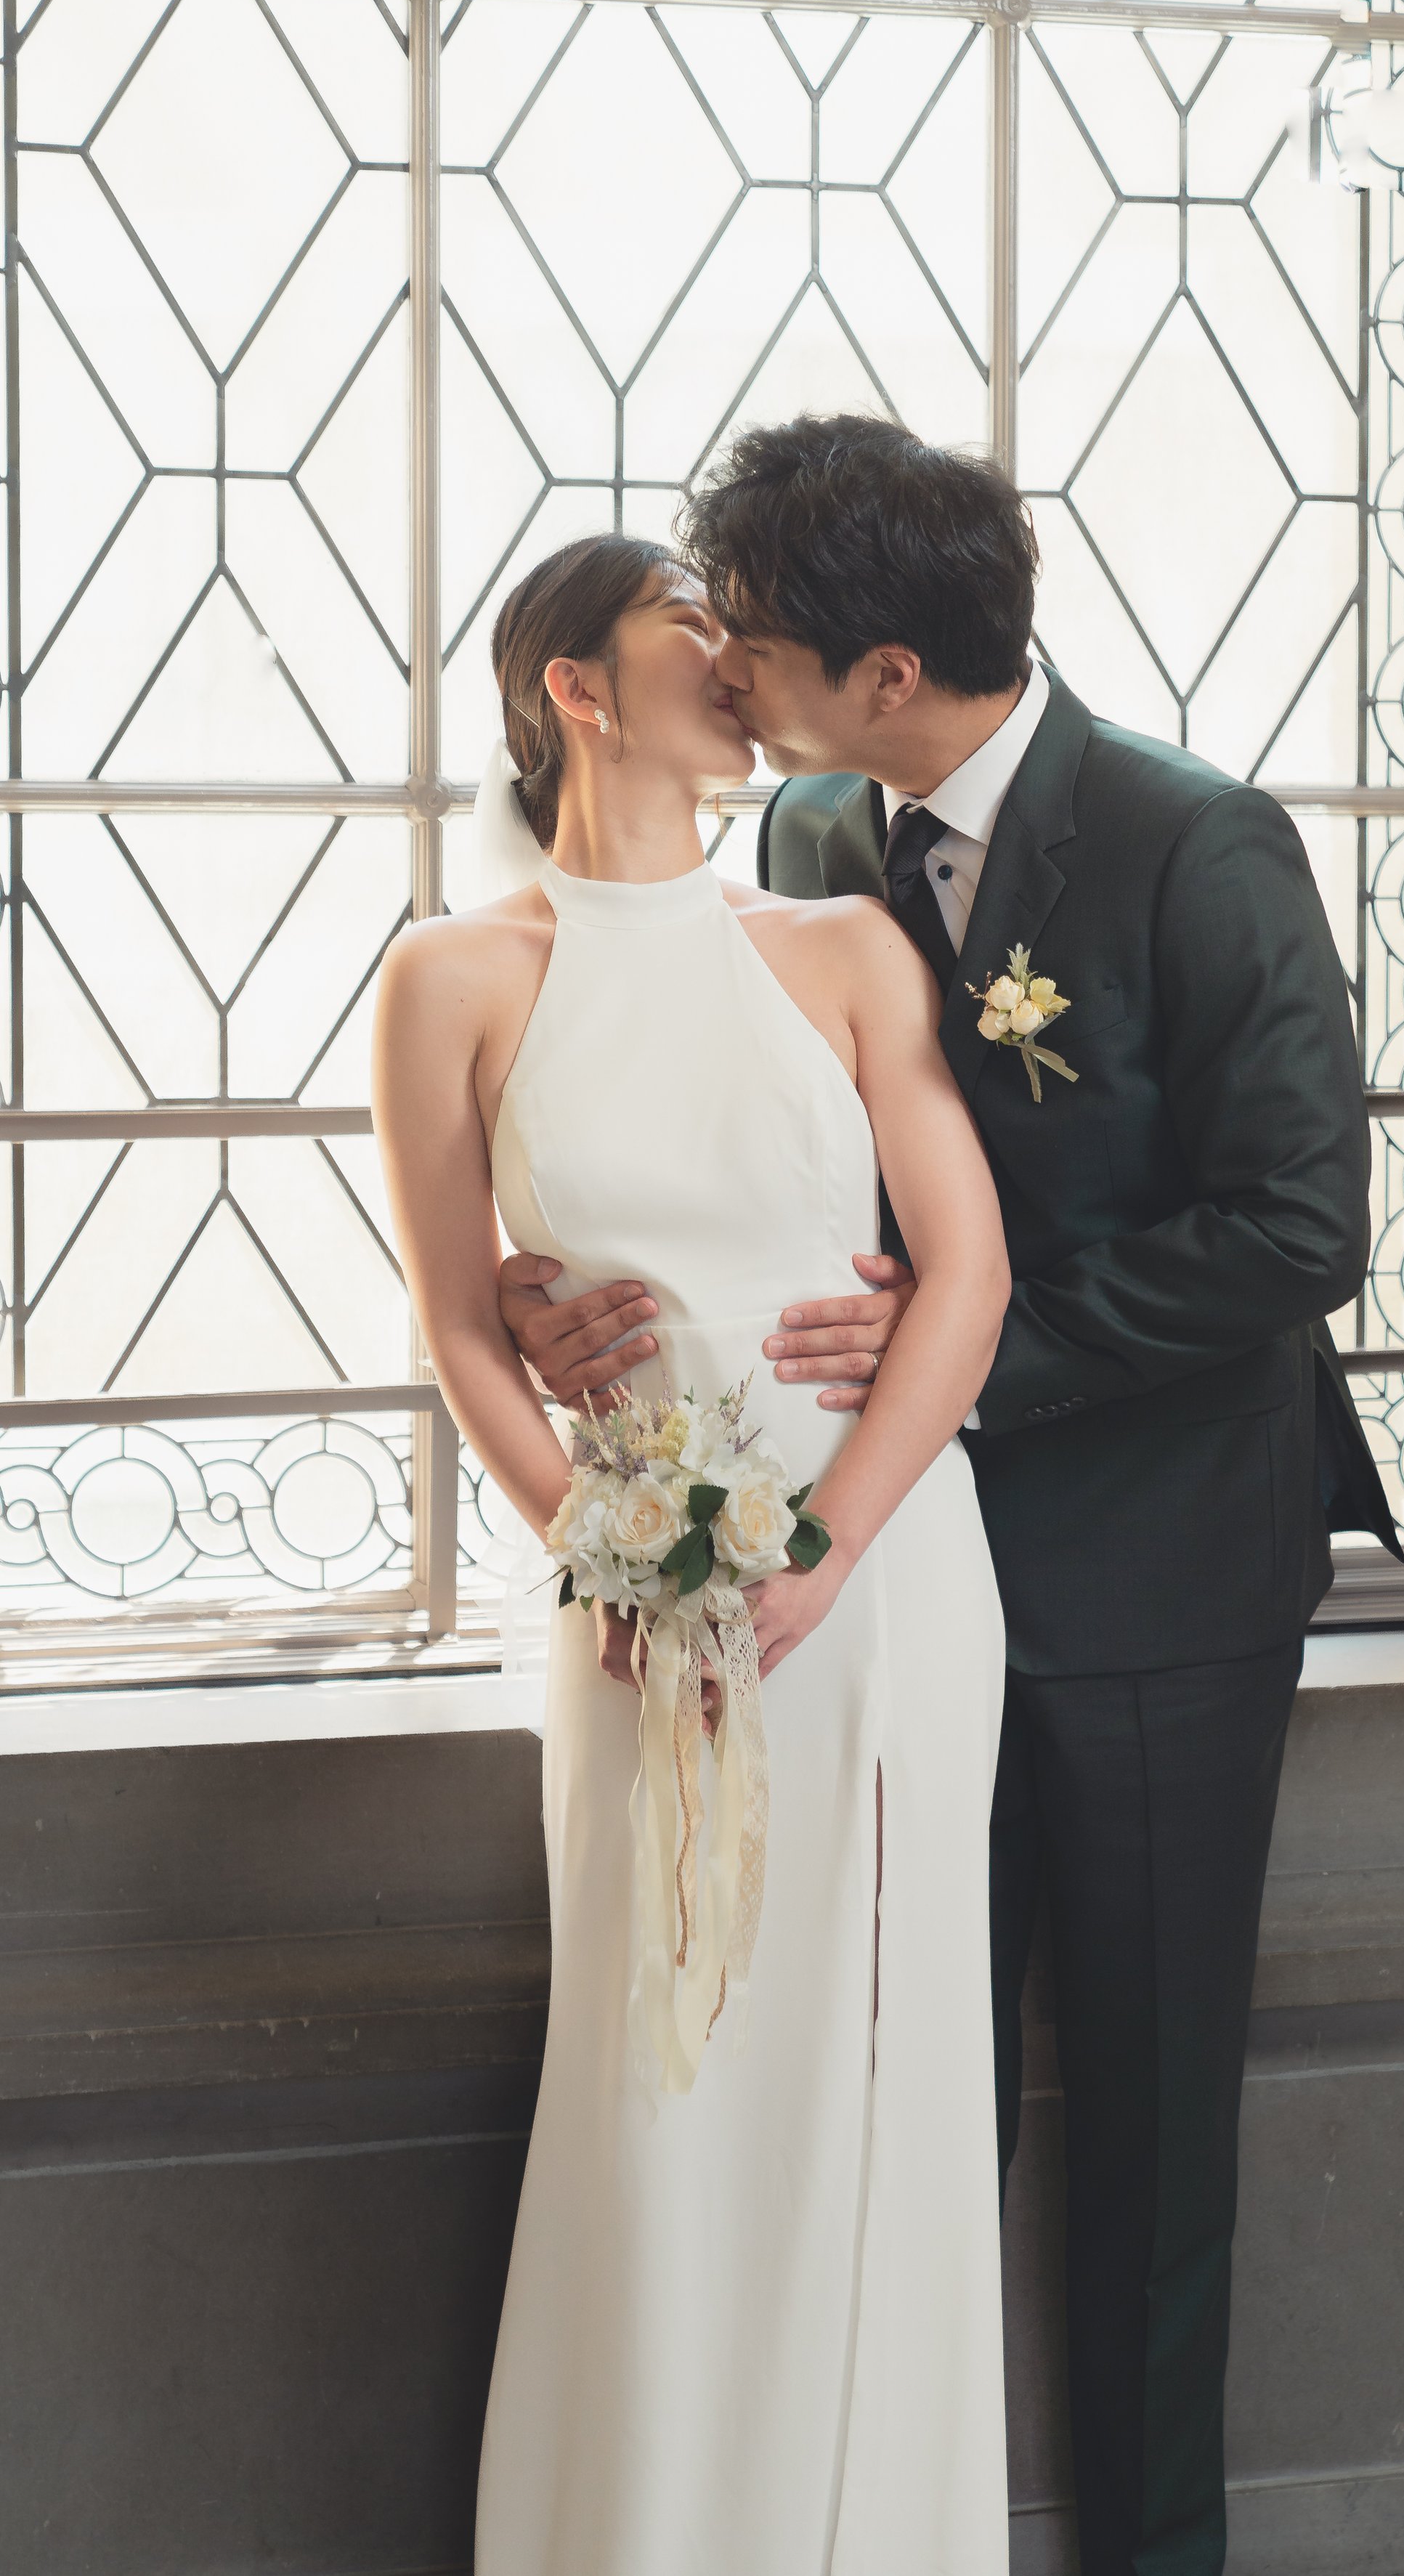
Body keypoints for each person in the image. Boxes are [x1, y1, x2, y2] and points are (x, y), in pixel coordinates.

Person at [500, 419, 1402, 2576]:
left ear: (886, 671)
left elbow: (1299, 1228)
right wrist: (555, 1287)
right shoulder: (811, 826)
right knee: (899, 2105)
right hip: (890, 1603)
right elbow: (688, 1118)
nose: (726, 675)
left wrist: (966, 1344)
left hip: (1163, 1573)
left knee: (1154, 2132)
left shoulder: (1200, 844)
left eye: (762, 649)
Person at [372, 532, 1013, 2576]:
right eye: (691, 634)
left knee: (883, 2068)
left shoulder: (838, 947)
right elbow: (464, 1321)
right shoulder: (454, 976)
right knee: (668, 2073)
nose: (739, 665)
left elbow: (968, 1277)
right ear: (574, 684)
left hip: (892, 1574)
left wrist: (823, 1547)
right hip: (647, 1599)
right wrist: (608, 1558)